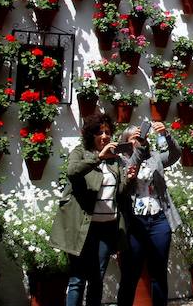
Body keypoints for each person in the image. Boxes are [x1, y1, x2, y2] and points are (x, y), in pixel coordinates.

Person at [52, 113, 128, 306]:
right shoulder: (81, 151)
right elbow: (72, 171)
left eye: (108, 132)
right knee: (78, 279)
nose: (104, 136)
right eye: (99, 132)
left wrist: (130, 177)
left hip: (106, 228)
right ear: (90, 134)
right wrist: (98, 158)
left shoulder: (115, 159)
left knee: (97, 278)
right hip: (83, 227)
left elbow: (119, 192)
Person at [115, 121, 181, 306]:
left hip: (159, 218)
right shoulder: (121, 161)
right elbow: (131, 170)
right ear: (126, 142)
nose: (139, 141)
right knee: (130, 273)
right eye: (134, 139)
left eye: (140, 138)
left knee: (158, 273)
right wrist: (139, 149)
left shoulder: (154, 157)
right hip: (134, 222)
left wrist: (166, 135)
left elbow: (175, 154)